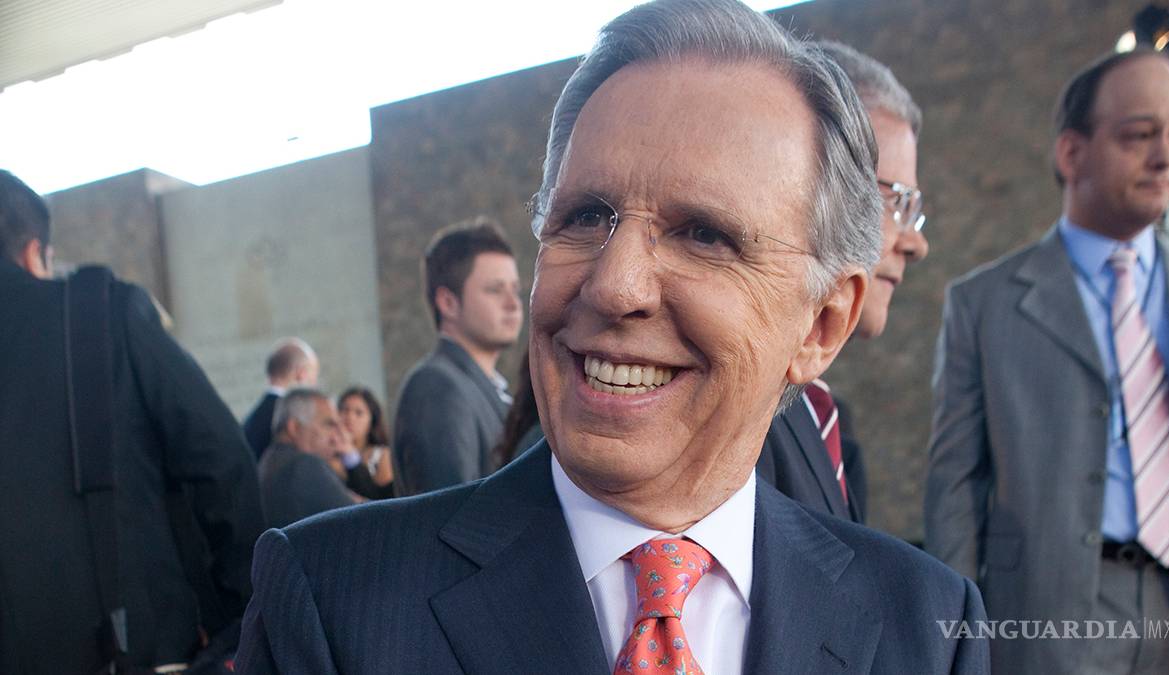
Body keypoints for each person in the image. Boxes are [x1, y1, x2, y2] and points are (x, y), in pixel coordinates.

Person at [236, 2, 987, 672]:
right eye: (586, 217)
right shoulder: (333, 599)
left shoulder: (928, 626)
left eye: (703, 234)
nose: (614, 285)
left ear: (821, 324)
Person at [925, 48, 1169, 674]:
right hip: (1046, 619)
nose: (1166, 158)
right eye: (1139, 136)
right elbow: (955, 487)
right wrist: (953, 641)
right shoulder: (984, 304)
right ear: (1072, 153)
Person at [0, 169, 264, 673]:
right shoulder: (96, 315)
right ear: (35, 254)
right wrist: (237, 623)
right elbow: (220, 460)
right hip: (134, 650)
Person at [758, 40, 929, 524]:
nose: (917, 244)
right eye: (895, 201)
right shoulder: (737, 420)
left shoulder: (828, 420)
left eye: (914, 209)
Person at [391, 218, 523, 495]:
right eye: (495, 290)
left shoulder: (482, 385)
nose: (513, 304)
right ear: (448, 303)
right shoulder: (436, 387)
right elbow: (449, 514)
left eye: (515, 290)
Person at [258, 388, 363, 529]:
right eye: (329, 424)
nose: (337, 436)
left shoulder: (272, 459)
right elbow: (365, 521)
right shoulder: (303, 465)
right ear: (295, 428)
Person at [242, 337, 320, 459]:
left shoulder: (253, 417)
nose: (315, 385)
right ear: (301, 374)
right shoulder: (289, 416)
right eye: (314, 377)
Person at [337, 385, 395, 499]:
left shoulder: (382, 456)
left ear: (372, 420)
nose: (349, 417)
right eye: (345, 410)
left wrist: (350, 455)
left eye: (359, 413)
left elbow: (386, 501)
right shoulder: (328, 455)